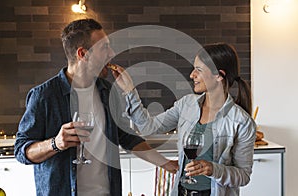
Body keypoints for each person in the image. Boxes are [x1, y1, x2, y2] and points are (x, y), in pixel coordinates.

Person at [14, 18, 178, 196]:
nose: (112, 53)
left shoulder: (107, 91)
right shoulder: (44, 95)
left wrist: (166, 164)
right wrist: (56, 143)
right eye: (104, 48)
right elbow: (22, 151)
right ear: (83, 54)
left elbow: (126, 137)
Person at [112, 43, 256, 196]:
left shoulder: (241, 122)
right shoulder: (186, 105)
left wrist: (213, 169)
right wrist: (129, 90)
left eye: (198, 70)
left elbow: (243, 176)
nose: (192, 75)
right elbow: (148, 126)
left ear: (218, 75)